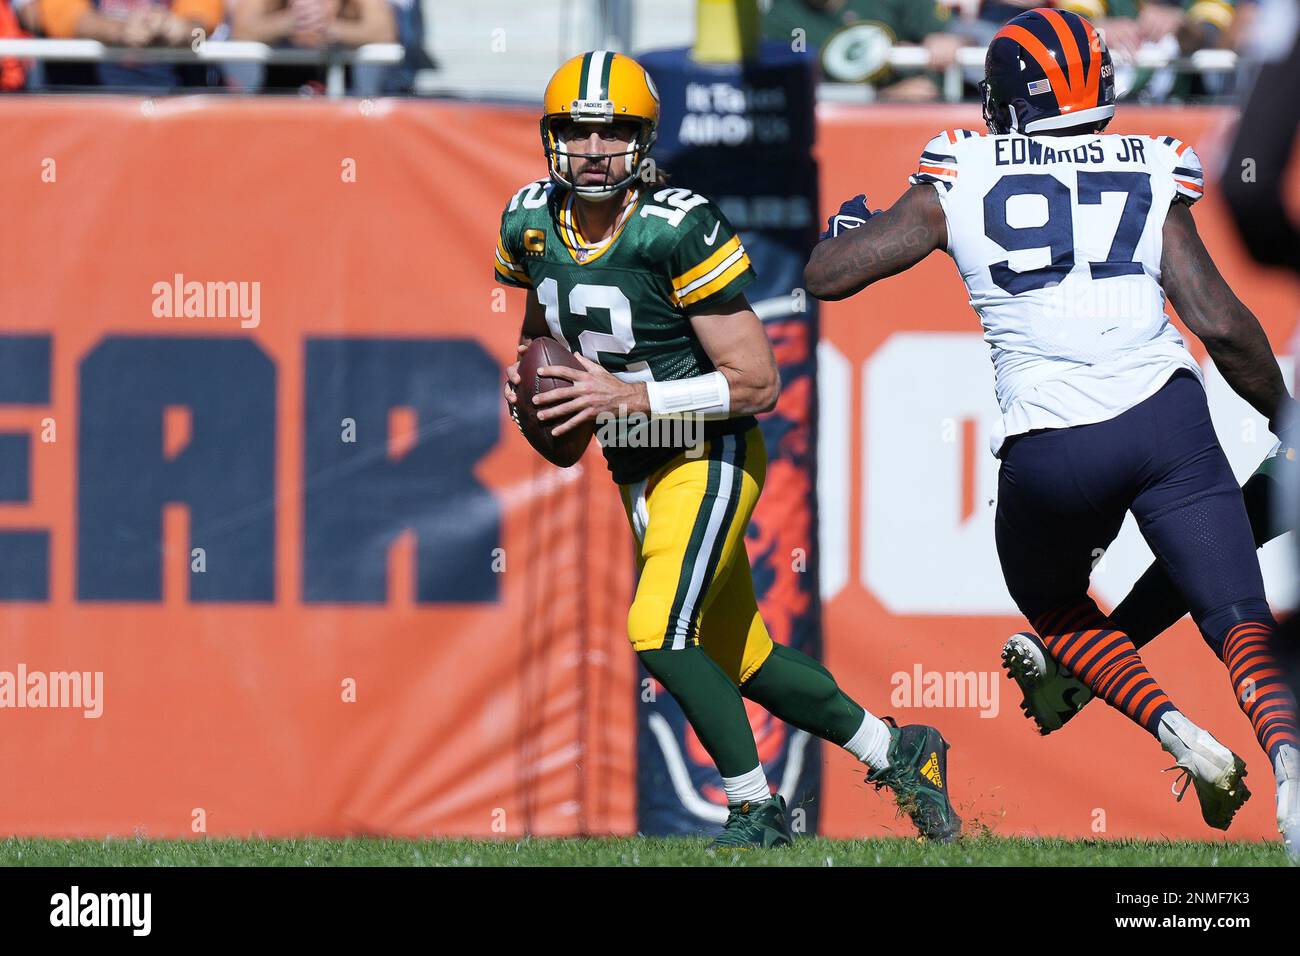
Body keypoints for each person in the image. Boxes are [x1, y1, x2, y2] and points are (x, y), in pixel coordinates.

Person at [803, 8, 1300, 853]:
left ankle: (1179, 733)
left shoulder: (960, 165)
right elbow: (1219, 322)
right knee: (1240, 615)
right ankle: (1290, 768)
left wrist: (845, 229)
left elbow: (829, 276)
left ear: (1004, 99)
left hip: (1053, 442)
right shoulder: (1149, 162)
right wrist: (1285, 418)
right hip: (1167, 418)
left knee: (1053, 602)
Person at [498, 50, 960, 849]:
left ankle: (754, 807)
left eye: (615, 134)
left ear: (642, 141)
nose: (595, 151)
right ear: (553, 137)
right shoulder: (530, 221)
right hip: (632, 460)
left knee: (657, 631)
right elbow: (542, 336)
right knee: (745, 657)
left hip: (703, 452)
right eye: (579, 132)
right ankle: (901, 753)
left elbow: (756, 382)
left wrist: (632, 397)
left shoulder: (675, 225)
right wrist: (534, 389)